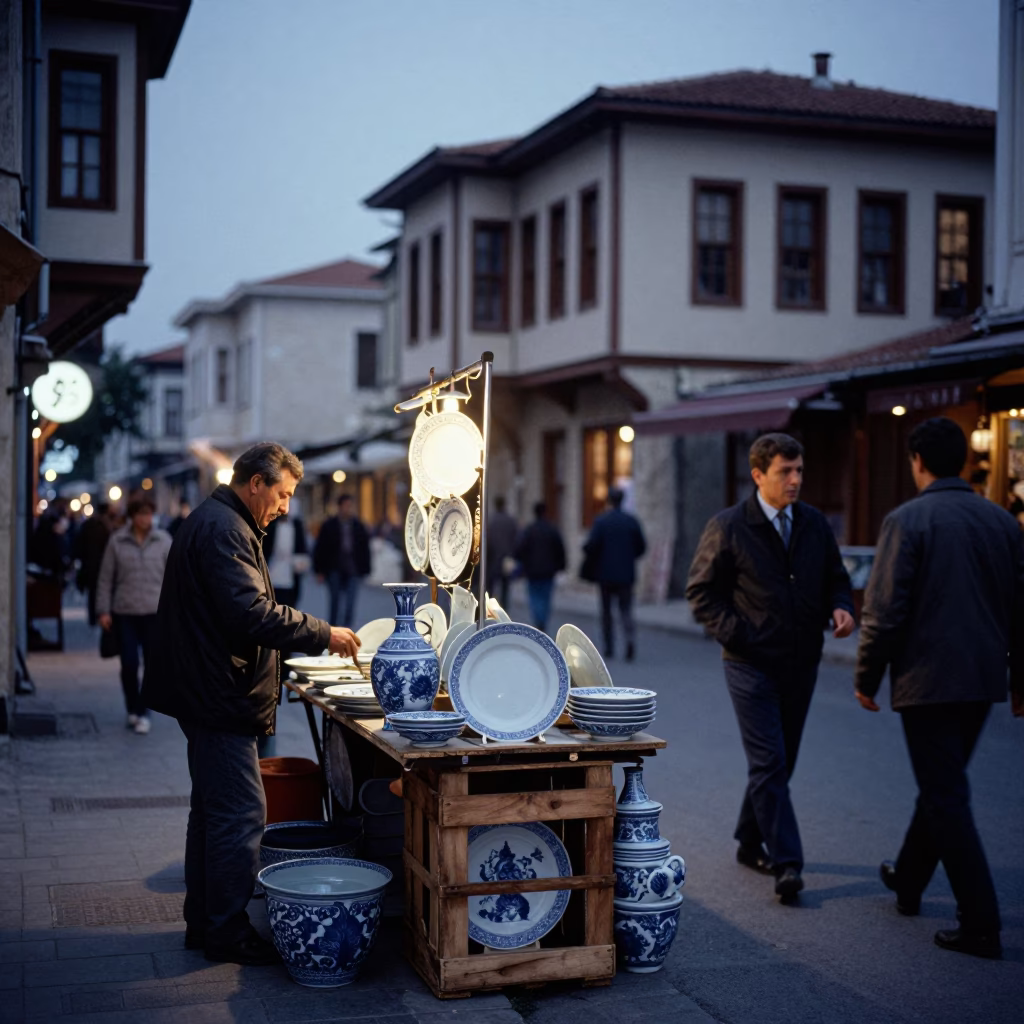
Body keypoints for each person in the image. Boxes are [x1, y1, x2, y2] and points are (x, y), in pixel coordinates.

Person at [142, 442, 360, 966]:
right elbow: (251, 614)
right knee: (241, 813)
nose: (286, 506)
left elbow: (243, 614)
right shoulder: (224, 528)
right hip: (217, 696)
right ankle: (226, 931)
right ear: (255, 483)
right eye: (282, 494)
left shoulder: (227, 522)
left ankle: (207, 922)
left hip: (210, 689)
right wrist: (323, 632)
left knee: (213, 812)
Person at [854, 417, 1024, 960]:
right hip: (980, 679)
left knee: (947, 793)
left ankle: (980, 922)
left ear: (918, 462)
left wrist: (866, 676)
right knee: (943, 783)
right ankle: (907, 878)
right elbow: (1020, 609)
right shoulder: (1001, 521)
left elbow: (883, 610)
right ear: (967, 463)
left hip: (926, 680)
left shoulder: (908, 519)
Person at [686, 432, 854, 902]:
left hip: (802, 661)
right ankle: (787, 863)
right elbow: (700, 592)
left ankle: (747, 837)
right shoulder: (730, 526)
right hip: (749, 663)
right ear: (759, 475)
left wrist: (841, 607)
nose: (796, 480)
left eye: (800, 470)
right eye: (786, 471)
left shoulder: (814, 525)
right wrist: (741, 635)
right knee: (770, 761)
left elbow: (837, 579)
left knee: (783, 761)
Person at [96, 497, 172, 735]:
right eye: (139, 514)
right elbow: (106, 577)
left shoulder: (164, 541)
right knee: (129, 663)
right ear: (131, 516)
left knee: (151, 666)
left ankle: (143, 711)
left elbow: (174, 578)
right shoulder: (117, 541)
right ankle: (132, 706)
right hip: (125, 611)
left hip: (154, 612)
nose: (144, 519)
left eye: (148, 514)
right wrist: (103, 610)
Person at [583, 487, 647, 660]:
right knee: (625, 610)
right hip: (626, 574)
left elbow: (592, 545)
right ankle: (629, 640)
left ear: (609, 501)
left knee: (606, 611)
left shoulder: (601, 521)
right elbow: (641, 547)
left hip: (605, 574)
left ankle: (609, 646)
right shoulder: (631, 521)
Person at [313, 493, 371, 627]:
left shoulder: (358, 525)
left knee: (350, 604)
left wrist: (365, 569)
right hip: (334, 568)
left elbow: (364, 549)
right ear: (339, 507)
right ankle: (333, 632)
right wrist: (319, 571)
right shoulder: (329, 525)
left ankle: (347, 631)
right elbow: (321, 548)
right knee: (335, 602)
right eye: (346, 506)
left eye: (350, 506)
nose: (348, 509)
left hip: (352, 568)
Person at [513, 502, 566, 633]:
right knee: (546, 597)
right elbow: (560, 549)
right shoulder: (552, 529)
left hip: (533, 571)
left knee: (535, 597)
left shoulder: (529, 530)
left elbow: (519, 549)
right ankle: (542, 620)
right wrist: (561, 566)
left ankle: (539, 620)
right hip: (548, 571)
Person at [73, 502, 114, 626]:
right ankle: (98, 615)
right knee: (97, 591)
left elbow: (79, 544)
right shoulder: (103, 526)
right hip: (97, 563)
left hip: (91, 564)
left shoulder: (90, 525)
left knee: (94, 593)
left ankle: (94, 616)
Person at [485, 495, 519, 608]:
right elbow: (516, 539)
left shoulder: (491, 521)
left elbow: (487, 540)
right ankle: (504, 608)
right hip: (506, 558)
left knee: (491, 585)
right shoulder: (510, 521)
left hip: (493, 558)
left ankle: (490, 607)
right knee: (505, 586)